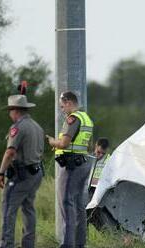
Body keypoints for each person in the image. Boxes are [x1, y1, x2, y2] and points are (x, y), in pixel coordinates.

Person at [46, 91, 93, 248]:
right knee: (79, 205)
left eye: (62, 106)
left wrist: (53, 142)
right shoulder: (87, 119)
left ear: (68, 102)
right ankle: (80, 244)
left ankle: (67, 244)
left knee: (67, 203)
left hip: (72, 166)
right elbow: (88, 146)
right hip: (83, 163)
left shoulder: (73, 119)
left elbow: (64, 143)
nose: (62, 110)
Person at [0, 94, 44, 248]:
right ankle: (28, 244)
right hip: (36, 173)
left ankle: (6, 244)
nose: (9, 114)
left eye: (10, 110)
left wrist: (1, 173)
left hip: (21, 175)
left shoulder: (17, 127)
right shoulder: (37, 127)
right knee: (28, 209)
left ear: (15, 110)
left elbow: (10, 152)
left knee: (8, 209)